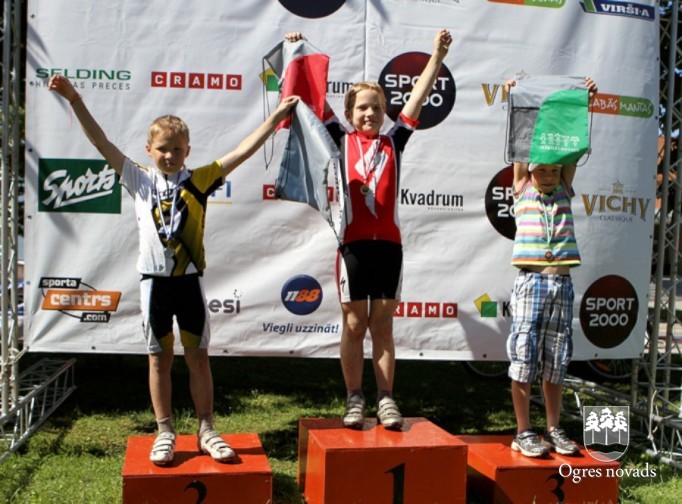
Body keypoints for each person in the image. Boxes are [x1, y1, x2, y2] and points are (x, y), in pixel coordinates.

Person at [48, 74, 298, 465]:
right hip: (154, 286)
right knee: (158, 360)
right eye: (163, 148)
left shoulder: (200, 179)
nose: (170, 155)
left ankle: (206, 430)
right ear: (149, 150)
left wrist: (276, 117)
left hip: (189, 284)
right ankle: (165, 431)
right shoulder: (138, 178)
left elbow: (243, 151)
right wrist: (74, 98)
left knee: (198, 357)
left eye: (177, 149)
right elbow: (100, 142)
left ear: (187, 151)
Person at [284, 29, 452, 430]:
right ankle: (354, 397)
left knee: (383, 326)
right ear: (349, 113)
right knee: (355, 325)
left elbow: (417, 99)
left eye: (376, 107)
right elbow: (313, 98)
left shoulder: (395, 142)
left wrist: (437, 57)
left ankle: (387, 398)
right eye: (362, 108)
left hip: (389, 247)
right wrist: (296, 50)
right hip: (353, 247)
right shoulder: (338, 141)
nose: (370, 114)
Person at [504, 76, 598, 457]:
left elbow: (570, 149)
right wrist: (515, 99)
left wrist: (584, 103)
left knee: (556, 360)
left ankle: (554, 427)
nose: (547, 175)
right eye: (541, 169)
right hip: (531, 283)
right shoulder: (522, 187)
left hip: (563, 284)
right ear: (529, 171)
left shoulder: (563, 187)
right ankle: (523, 430)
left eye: (554, 171)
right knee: (524, 358)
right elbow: (521, 146)